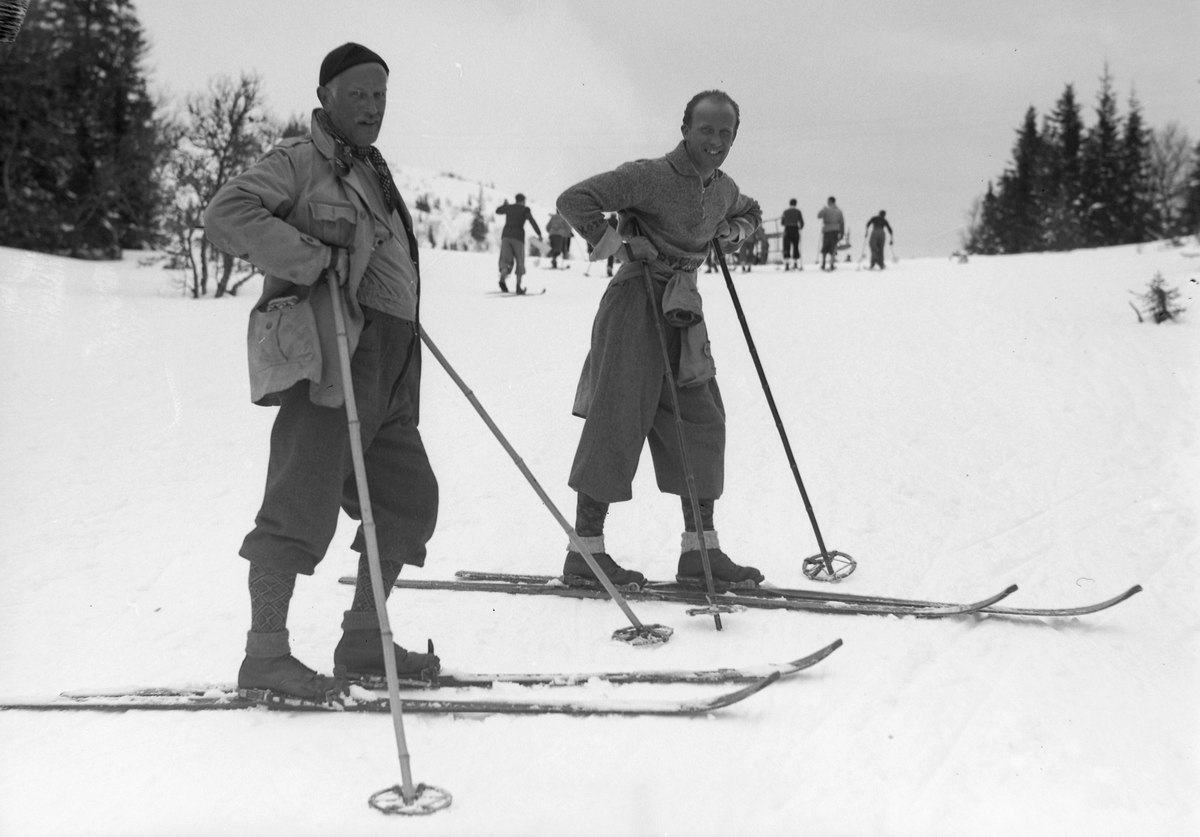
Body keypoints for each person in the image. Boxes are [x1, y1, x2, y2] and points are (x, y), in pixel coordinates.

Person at [204, 43, 440, 704]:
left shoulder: (371, 170)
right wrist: (312, 257)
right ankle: (265, 656)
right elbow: (226, 214)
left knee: (408, 498)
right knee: (299, 501)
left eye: (381, 96)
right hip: (332, 353)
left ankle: (364, 640)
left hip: (391, 361)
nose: (373, 107)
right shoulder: (300, 162)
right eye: (359, 94)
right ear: (327, 96)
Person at [555, 89, 766, 590]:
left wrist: (731, 231)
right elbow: (573, 201)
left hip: (683, 307)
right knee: (618, 416)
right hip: (636, 302)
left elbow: (752, 212)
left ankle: (701, 554)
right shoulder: (648, 176)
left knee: (701, 420)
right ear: (685, 128)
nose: (715, 140)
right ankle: (585, 553)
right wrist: (618, 244)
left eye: (725, 132)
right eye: (706, 129)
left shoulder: (723, 188)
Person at [496, 194, 542, 293]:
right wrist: (539, 233)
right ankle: (518, 287)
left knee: (505, 260)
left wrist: (504, 205)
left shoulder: (509, 207)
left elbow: (498, 211)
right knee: (520, 261)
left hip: (506, 237)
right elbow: (532, 221)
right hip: (518, 238)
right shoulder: (525, 209)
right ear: (523, 201)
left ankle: (502, 279)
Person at [817, 196, 845, 271]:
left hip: (827, 230)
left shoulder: (826, 209)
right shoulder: (839, 211)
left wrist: (823, 209)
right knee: (833, 247)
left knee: (825, 246)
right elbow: (842, 223)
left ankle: (823, 264)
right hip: (836, 230)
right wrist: (842, 233)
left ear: (830, 201)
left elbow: (819, 216)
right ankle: (832, 264)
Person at [781, 198, 804, 270]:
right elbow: (801, 222)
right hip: (795, 229)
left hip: (787, 229)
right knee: (796, 246)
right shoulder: (798, 211)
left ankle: (787, 264)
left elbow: (782, 222)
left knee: (786, 246)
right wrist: (800, 227)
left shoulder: (786, 211)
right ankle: (795, 263)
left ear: (789, 203)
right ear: (796, 204)